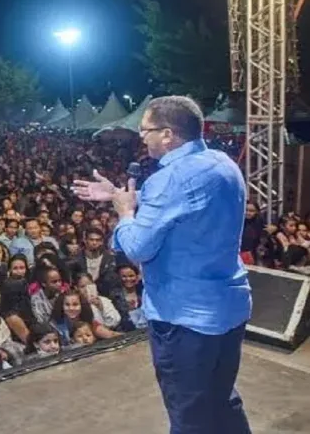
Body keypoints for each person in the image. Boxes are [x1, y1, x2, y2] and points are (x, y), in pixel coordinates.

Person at [73, 95, 252, 433]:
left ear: (168, 134)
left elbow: (138, 248)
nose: (141, 136)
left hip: (184, 319)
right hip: (228, 309)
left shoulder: (167, 180)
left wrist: (125, 213)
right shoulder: (222, 163)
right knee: (221, 401)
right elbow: (190, 202)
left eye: (146, 130)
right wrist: (120, 194)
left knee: (189, 418)